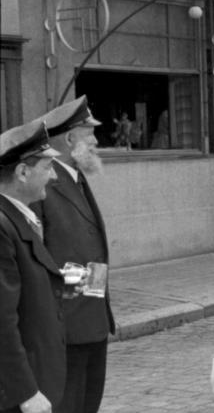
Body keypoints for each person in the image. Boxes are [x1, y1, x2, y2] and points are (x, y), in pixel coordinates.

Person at [30, 96, 115, 413]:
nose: (96, 140)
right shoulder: (44, 185)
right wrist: (87, 294)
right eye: (89, 132)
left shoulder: (75, 178)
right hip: (65, 332)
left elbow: (86, 252)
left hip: (91, 325)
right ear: (69, 139)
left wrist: (96, 306)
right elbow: (40, 264)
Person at [0, 120, 65, 413]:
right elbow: (2, 320)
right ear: (22, 172)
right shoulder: (3, 227)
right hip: (22, 395)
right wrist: (26, 392)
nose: (53, 177)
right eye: (47, 167)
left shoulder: (17, 218)